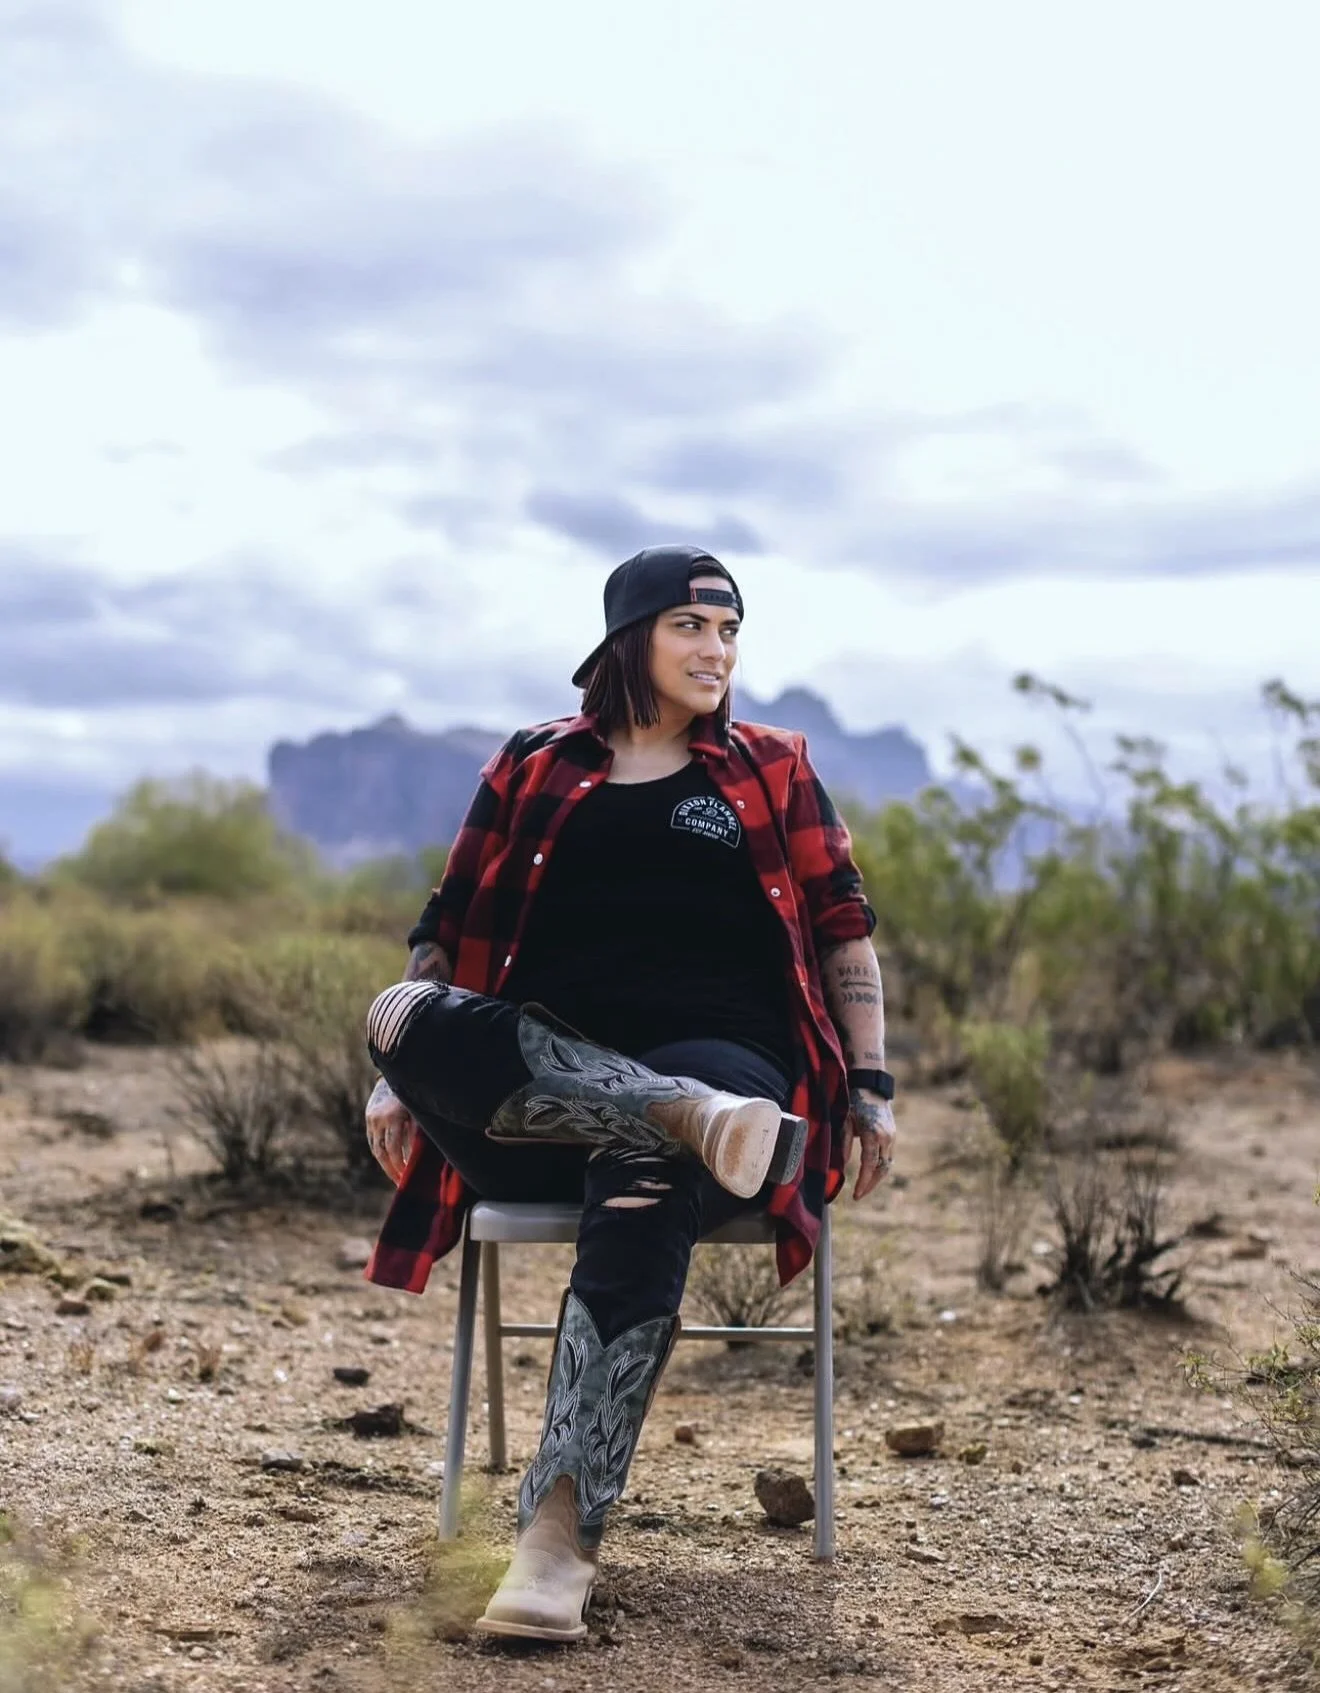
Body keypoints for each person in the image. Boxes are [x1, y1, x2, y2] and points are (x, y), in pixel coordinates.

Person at [361, 544, 896, 1643]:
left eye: (731, 631)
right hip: (536, 1092)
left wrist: (873, 1088)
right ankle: (670, 1109)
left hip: (731, 1066)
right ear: (631, 638)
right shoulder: (531, 765)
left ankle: (556, 1539)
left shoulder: (770, 767)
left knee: (649, 1172)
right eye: (692, 627)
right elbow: (446, 927)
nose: (718, 651)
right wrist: (400, 1082)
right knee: (396, 1013)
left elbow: (843, 925)